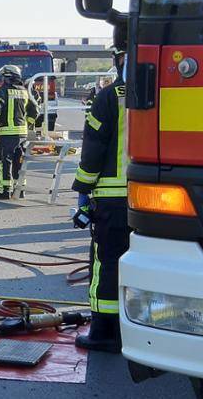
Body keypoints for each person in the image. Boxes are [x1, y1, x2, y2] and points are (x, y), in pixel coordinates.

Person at [72, 44, 128, 352]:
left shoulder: (108, 97)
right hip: (158, 200)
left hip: (113, 198)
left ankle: (105, 332)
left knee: (106, 264)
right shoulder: (167, 94)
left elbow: (93, 148)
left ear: (119, 59)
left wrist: (83, 190)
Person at [0, 65, 38, 200]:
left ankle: (4, 191)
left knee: (4, 162)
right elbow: (35, 111)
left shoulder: (2, 92)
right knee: (19, 162)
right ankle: (20, 190)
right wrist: (27, 124)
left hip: (7, 134)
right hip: (22, 134)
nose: (2, 80)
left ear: (8, 77)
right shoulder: (25, 92)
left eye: (3, 77)